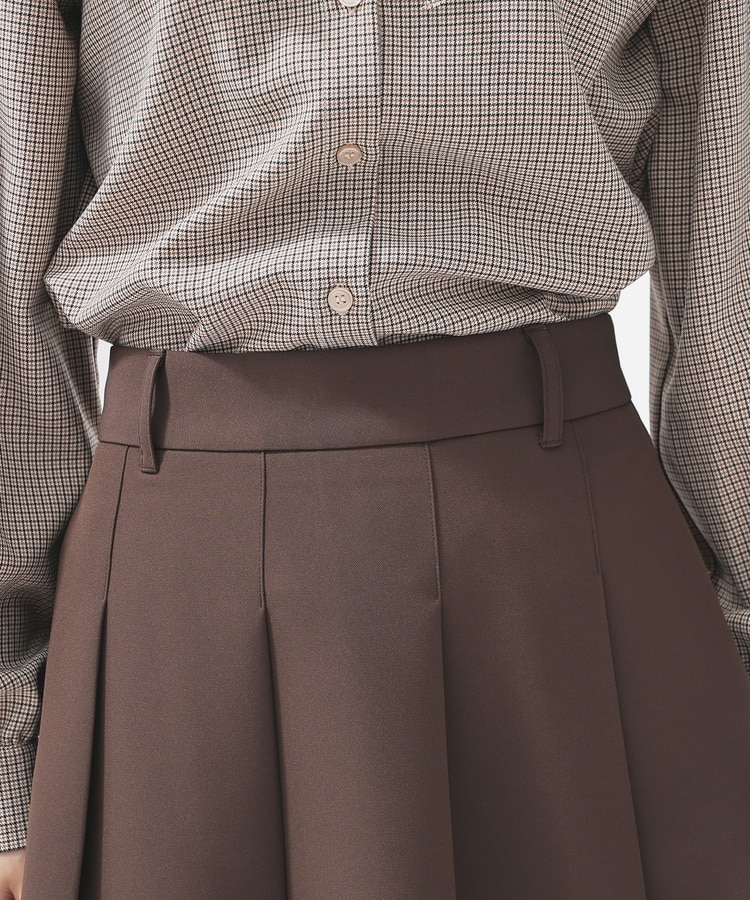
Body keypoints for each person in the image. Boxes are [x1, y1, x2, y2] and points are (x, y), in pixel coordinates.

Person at [1, 0, 750, 897]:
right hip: (174, 577)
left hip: (561, 559)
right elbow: (10, 258)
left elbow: (731, 251)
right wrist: (7, 749)